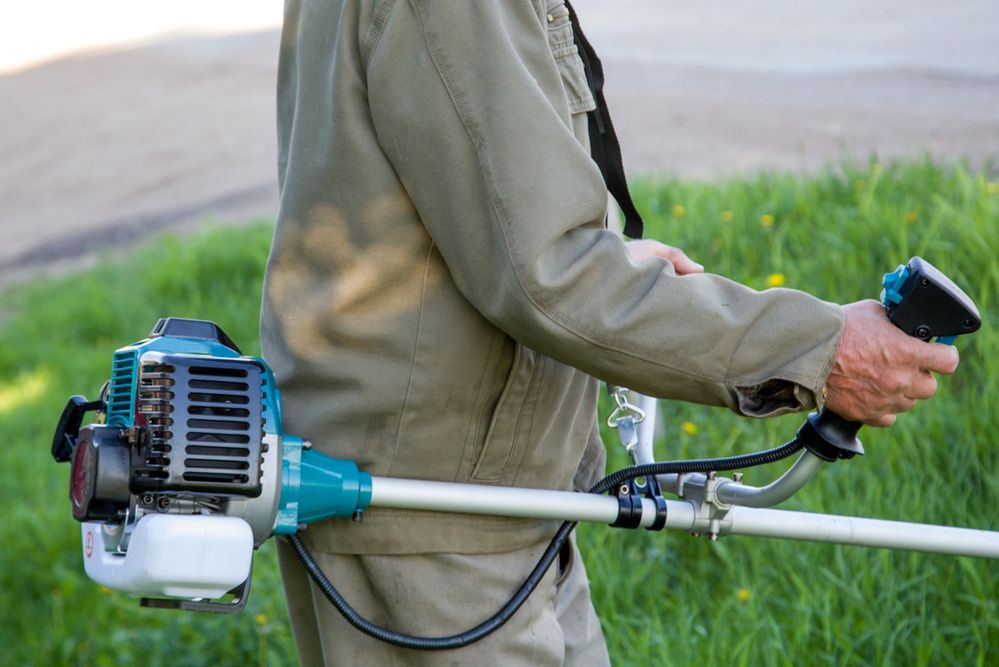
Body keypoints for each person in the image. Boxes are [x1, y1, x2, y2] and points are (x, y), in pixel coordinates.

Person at [259, 1, 958, 665]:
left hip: (499, 507)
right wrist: (820, 350)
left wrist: (603, 257)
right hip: (432, 524)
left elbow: (472, 206)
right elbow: (550, 275)